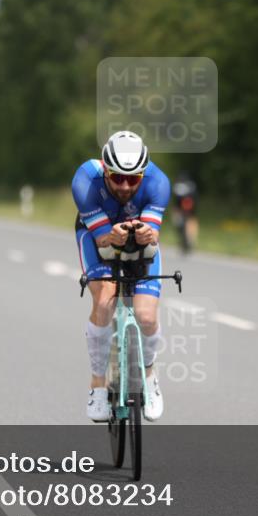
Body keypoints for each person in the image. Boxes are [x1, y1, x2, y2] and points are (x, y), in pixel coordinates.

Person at [72, 131, 170, 422]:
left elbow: (152, 238)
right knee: (104, 300)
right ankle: (97, 387)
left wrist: (147, 234)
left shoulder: (159, 183)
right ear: (105, 169)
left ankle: (149, 376)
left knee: (147, 317)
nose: (126, 186)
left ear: (143, 173)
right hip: (95, 236)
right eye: (117, 178)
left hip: (139, 242)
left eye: (133, 179)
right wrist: (109, 236)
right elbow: (103, 242)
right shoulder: (84, 182)